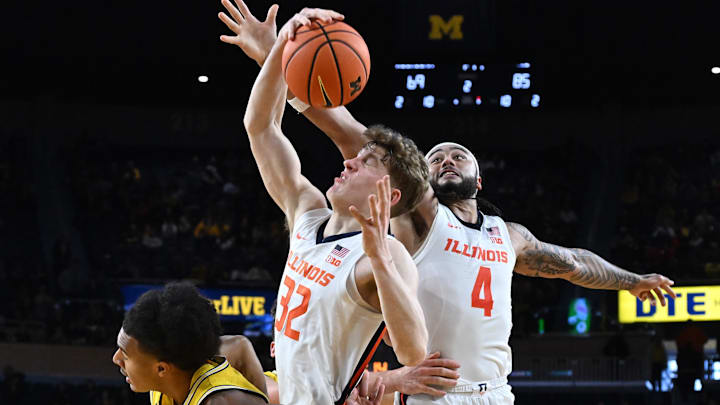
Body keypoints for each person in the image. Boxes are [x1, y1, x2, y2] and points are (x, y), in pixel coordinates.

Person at [219, 3, 677, 404]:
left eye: (459, 155)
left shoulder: (508, 236)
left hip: (497, 391)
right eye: (436, 156)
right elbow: (347, 131)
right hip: (432, 392)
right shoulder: (421, 215)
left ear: (480, 180)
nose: (446, 159)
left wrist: (632, 281)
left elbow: (572, 262)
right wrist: (280, 61)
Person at [238, 7, 430, 405]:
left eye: (366, 162)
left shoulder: (386, 252)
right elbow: (261, 128)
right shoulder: (307, 213)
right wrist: (280, 49)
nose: (348, 160)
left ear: (389, 194)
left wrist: (379, 259)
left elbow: (412, 351)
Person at [111, 282, 269, 405]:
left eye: (125, 355)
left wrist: (264, 398)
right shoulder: (183, 360)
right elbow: (239, 345)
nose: (115, 359)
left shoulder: (220, 400)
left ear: (161, 368)